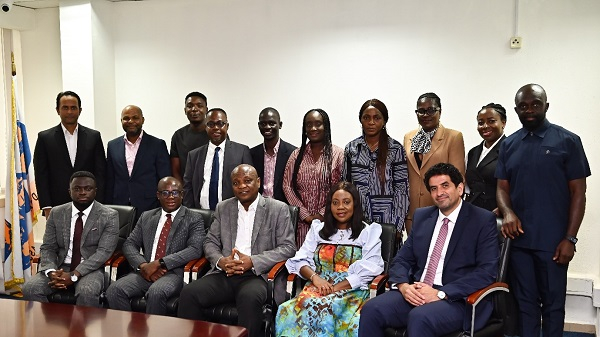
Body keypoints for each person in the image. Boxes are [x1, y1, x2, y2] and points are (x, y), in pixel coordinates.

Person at [359, 163, 498, 337]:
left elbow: (486, 272)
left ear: (460, 188)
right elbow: (402, 259)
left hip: (457, 299)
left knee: (420, 317)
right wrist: (403, 286)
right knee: (372, 309)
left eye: (445, 186)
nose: (439, 193)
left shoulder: (482, 220)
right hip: (417, 291)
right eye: (433, 188)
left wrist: (441, 293)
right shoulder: (423, 216)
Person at [496, 84, 590, 337]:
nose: (530, 110)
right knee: (525, 305)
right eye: (523, 106)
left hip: (554, 242)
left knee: (553, 306)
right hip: (519, 242)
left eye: (535, 104)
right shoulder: (509, 145)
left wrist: (570, 238)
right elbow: (502, 189)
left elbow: (578, 194)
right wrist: (508, 213)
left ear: (546, 106)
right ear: (516, 110)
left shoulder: (568, 141)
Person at [177, 164, 296, 337]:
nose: (242, 186)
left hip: (258, 276)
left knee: (249, 299)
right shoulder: (223, 208)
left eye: (247, 181)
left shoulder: (278, 209)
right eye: (236, 183)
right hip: (225, 273)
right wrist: (221, 261)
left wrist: (253, 261)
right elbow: (210, 241)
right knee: (189, 293)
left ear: (258, 182)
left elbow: (288, 247)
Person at [276, 181, 384, 337]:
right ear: (330, 206)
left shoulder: (367, 232)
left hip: (351, 290)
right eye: (335, 203)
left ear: (355, 205)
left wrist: (335, 288)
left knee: (327, 308)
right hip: (317, 286)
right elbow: (300, 260)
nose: (340, 207)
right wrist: (316, 279)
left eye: (346, 202)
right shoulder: (318, 230)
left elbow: (371, 268)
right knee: (288, 309)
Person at [106, 176, 205, 315]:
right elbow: (129, 244)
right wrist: (144, 266)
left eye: (175, 192)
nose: (170, 197)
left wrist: (160, 263)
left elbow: (195, 249)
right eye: (165, 193)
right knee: (114, 290)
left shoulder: (194, 218)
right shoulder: (146, 216)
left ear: (182, 195)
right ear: (158, 195)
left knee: (156, 292)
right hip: (145, 271)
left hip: (174, 273)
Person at [22, 171, 119, 307]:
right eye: (77, 189)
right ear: (70, 191)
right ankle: (48, 326)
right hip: (60, 267)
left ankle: (80, 329)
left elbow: (103, 252)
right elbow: (48, 247)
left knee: (87, 292)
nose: (83, 192)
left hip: (90, 269)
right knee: (30, 289)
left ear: (95, 191)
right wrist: (51, 271)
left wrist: (74, 275)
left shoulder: (109, 216)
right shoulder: (56, 212)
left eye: (88, 189)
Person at [34, 91, 106, 218]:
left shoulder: (94, 137)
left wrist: (98, 202)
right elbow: (41, 174)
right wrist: (46, 206)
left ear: (80, 110)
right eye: (65, 108)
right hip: (57, 205)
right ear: (57, 110)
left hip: (89, 203)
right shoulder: (45, 138)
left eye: (73, 108)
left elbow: (100, 172)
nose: (69, 112)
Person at [343, 99, 409, 236]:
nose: (371, 122)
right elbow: (345, 185)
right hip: (357, 220)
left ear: (384, 121)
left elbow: (401, 189)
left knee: (385, 257)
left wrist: (396, 225)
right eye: (366, 117)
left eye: (376, 118)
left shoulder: (395, 149)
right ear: (360, 120)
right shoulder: (352, 148)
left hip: (387, 220)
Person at [404, 92, 465, 233]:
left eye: (431, 110)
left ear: (440, 111)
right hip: (412, 213)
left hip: (441, 209)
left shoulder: (453, 137)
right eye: (421, 111)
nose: (426, 115)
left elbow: (457, 176)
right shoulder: (409, 137)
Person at [283, 109, 344, 247]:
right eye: (308, 125)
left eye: (318, 124)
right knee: (302, 263)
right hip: (301, 226)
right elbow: (287, 186)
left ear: (326, 127)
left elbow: (341, 188)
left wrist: (322, 213)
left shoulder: (338, 154)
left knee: (327, 261)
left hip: (330, 221)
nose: (313, 128)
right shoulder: (296, 155)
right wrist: (305, 215)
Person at [105, 105, 171, 215]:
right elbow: (110, 179)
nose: (131, 121)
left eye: (135, 118)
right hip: (120, 206)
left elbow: (164, 178)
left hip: (150, 206)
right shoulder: (112, 145)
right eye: (126, 118)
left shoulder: (157, 145)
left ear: (142, 120)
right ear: (121, 121)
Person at [183, 108, 253, 210]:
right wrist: (191, 212)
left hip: (232, 214)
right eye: (211, 124)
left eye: (220, 124)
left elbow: (249, 185)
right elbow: (188, 187)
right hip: (200, 214)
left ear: (227, 126)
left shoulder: (242, 151)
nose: (216, 128)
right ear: (205, 127)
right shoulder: (193, 155)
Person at [465, 103, 507, 213]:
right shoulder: (473, 152)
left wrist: (504, 209)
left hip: (498, 213)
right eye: (481, 123)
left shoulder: (511, 150)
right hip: (473, 211)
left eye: (491, 121)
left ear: (503, 122)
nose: (485, 126)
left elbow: (519, 186)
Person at [250, 107, 297, 204]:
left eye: (272, 123)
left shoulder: (293, 153)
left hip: (284, 209)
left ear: (280, 125)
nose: (267, 127)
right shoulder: (251, 154)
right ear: (259, 126)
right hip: (258, 208)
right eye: (263, 124)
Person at [170, 92, 210, 182]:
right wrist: (182, 191)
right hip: (186, 189)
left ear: (206, 110)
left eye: (199, 106)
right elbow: (175, 170)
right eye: (190, 106)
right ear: (185, 110)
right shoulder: (178, 136)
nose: (194, 109)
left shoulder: (216, 134)